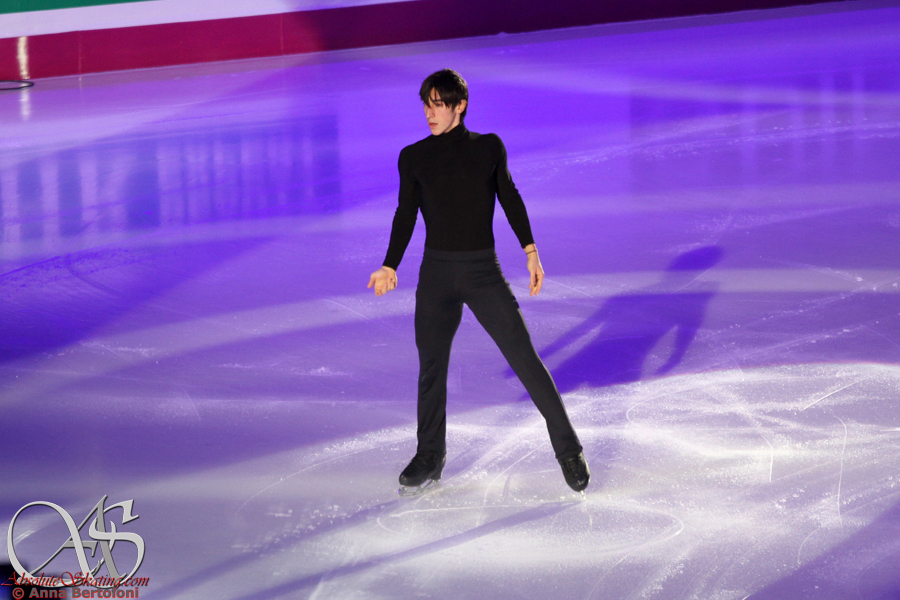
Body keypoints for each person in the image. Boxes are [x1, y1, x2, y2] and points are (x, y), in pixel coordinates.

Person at [367, 69, 589, 494]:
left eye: (438, 104)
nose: (430, 113)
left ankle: (568, 449)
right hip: (436, 275)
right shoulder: (413, 157)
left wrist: (530, 250)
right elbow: (405, 214)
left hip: (482, 273)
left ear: (460, 106)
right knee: (431, 368)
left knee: (525, 359)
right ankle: (429, 455)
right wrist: (390, 265)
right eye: (426, 104)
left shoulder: (488, 148)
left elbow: (510, 196)